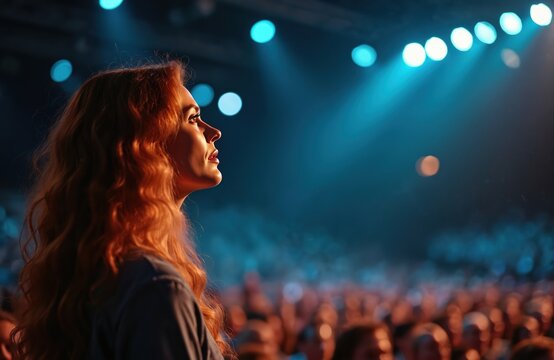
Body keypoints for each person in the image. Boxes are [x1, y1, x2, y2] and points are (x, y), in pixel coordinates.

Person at [12, 61, 231, 359]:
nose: (214, 131)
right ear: (145, 142)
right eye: (193, 119)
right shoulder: (155, 287)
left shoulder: (97, 273)